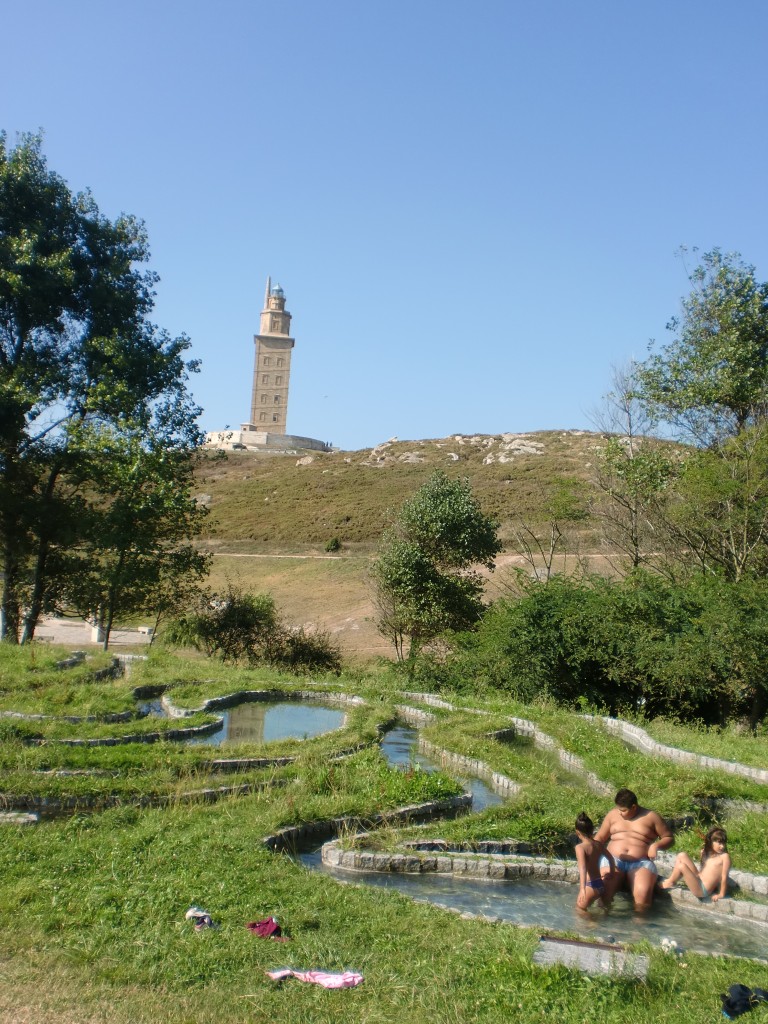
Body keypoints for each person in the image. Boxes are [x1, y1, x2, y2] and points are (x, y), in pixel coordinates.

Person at [594, 788, 674, 912]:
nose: (620, 813)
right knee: (603, 891)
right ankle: (603, 924)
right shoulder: (612, 815)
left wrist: (656, 846)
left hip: (640, 862)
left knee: (643, 896)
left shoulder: (651, 817)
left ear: (634, 807)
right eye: (618, 809)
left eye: (623, 810)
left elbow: (669, 838)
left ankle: (638, 928)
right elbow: (600, 837)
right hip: (613, 860)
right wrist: (592, 852)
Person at [659, 827, 731, 901]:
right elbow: (705, 870)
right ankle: (671, 880)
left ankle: (671, 882)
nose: (722, 846)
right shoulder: (710, 854)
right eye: (719, 843)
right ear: (711, 842)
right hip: (698, 879)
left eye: (723, 843)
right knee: (682, 855)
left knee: (682, 866)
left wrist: (721, 894)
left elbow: (724, 877)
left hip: (702, 890)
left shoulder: (724, 857)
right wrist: (703, 856)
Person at [574, 811, 615, 911]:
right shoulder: (598, 844)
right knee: (594, 909)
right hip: (600, 884)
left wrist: (582, 889)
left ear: (577, 832)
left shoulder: (580, 848)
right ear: (592, 830)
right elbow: (611, 858)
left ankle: (594, 925)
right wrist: (612, 873)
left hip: (590, 885)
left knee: (580, 910)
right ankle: (599, 922)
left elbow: (583, 868)